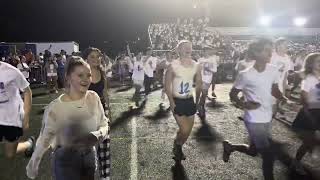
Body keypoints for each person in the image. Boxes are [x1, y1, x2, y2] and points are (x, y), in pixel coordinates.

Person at [26, 56, 110, 180]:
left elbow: (104, 123)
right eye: (80, 75)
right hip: (65, 160)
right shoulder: (56, 107)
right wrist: (33, 164)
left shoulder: (94, 97)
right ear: (68, 77)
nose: (86, 79)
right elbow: (45, 138)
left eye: (88, 75)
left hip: (89, 156)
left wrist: (99, 134)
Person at [223, 38, 288, 180]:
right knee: (268, 155)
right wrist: (244, 105)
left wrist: (283, 98)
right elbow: (233, 94)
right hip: (253, 118)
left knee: (253, 151)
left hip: (267, 116)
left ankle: (230, 147)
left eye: (271, 50)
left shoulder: (273, 70)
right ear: (256, 52)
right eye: (266, 50)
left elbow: (274, 89)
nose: (270, 53)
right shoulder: (246, 74)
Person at [165, 40, 202, 161]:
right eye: (185, 47)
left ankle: (178, 146)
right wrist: (171, 101)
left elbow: (199, 84)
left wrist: (197, 101)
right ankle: (177, 145)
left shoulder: (196, 65)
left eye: (190, 47)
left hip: (190, 100)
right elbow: (167, 85)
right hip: (177, 101)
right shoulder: (172, 66)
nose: (188, 49)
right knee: (184, 129)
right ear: (178, 50)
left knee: (187, 132)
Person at [83, 48, 112, 180]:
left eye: (98, 56)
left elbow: (105, 92)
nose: (96, 59)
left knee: (104, 147)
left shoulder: (102, 71)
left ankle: (105, 176)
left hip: (101, 112)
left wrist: (108, 111)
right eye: (92, 57)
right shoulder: (82, 73)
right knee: (86, 148)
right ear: (86, 59)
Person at [291, 53, 320, 174]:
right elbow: (304, 100)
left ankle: (314, 153)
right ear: (311, 64)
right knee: (308, 141)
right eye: (318, 61)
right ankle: (296, 162)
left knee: (314, 140)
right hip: (310, 114)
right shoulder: (309, 79)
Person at [0, 61, 35, 160]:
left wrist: (26, 117)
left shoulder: (11, 71)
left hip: (11, 117)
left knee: (10, 155)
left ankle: (29, 144)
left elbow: (27, 91)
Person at [270, 38, 293, 118]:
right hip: (269, 83)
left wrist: (283, 90)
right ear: (277, 46)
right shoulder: (272, 55)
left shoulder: (287, 58)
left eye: (286, 44)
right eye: (284, 44)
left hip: (279, 84)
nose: (286, 46)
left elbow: (285, 74)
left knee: (274, 106)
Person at [198, 46, 218, 118]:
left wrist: (208, 69)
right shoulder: (200, 60)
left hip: (208, 79)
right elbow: (197, 70)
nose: (207, 52)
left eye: (208, 51)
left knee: (204, 94)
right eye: (205, 51)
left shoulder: (212, 60)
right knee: (204, 93)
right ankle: (201, 107)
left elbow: (215, 70)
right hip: (200, 79)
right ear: (203, 51)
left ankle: (200, 105)